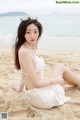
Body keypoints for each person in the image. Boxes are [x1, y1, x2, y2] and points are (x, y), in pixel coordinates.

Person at [12, 16, 80, 109]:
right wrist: (55, 81)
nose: (32, 35)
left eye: (35, 31)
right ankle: (74, 82)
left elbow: (24, 72)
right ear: (22, 33)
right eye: (28, 32)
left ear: (39, 31)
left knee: (64, 74)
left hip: (38, 92)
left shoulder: (29, 46)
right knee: (60, 68)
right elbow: (36, 83)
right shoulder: (25, 52)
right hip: (41, 97)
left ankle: (74, 82)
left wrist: (20, 89)